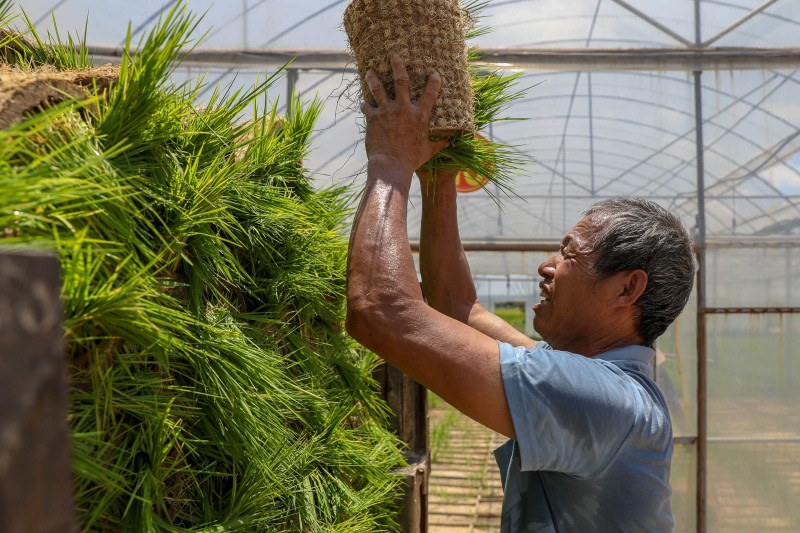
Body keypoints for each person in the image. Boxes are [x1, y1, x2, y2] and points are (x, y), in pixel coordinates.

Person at [346, 54, 695, 532]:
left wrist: (390, 161)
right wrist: (438, 177)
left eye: (569, 254)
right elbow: (456, 309)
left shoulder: (603, 399)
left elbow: (380, 311)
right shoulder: (594, 379)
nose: (546, 266)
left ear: (627, 288)